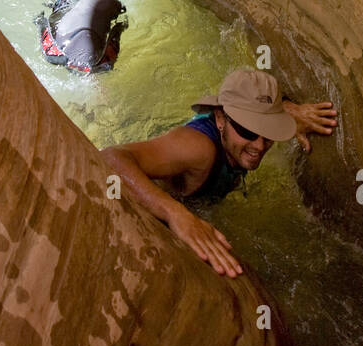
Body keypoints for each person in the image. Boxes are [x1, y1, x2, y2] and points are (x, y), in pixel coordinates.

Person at [101, 69, 338, 278]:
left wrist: (289, 112)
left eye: (269, 133)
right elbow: (110, 159)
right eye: (247, 130)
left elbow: (260, 98)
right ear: (220, 118)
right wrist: (177, 215)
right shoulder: (197, 149)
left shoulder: (238, 133)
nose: (259, 145)